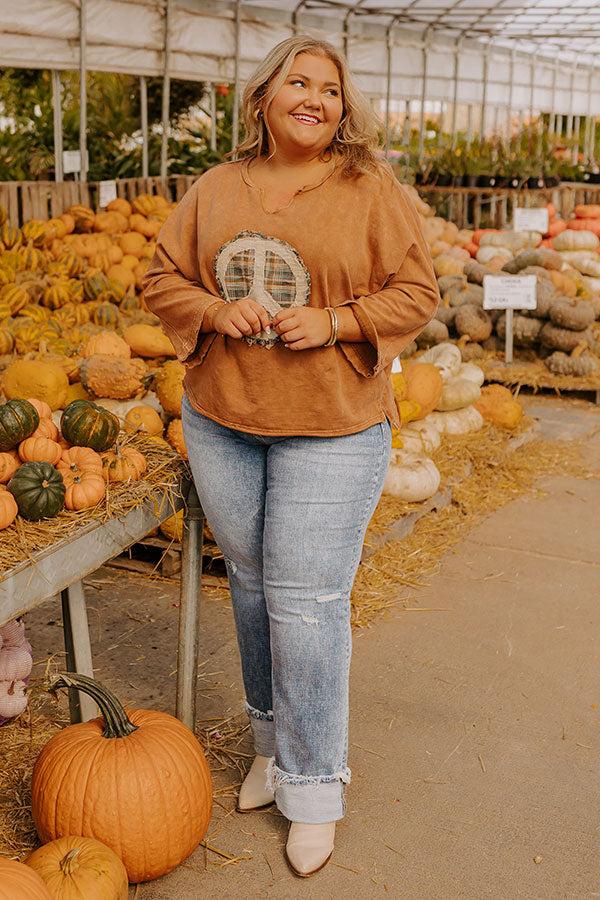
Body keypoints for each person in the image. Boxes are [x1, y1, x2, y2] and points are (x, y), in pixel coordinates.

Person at [143, 34, 438, 878]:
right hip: (223, 419)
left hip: (336, 424)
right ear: (264, 98)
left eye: (330, 89)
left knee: (306, 602)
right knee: (253, 584)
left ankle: (314, 785)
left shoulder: (369, 188)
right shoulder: (215, 188)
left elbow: (416, 292)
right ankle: (273, 745)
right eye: (297, 82)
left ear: (345, 111)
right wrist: (208, 307)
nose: (314, 97)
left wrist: (339, 321)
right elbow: (161, 277)